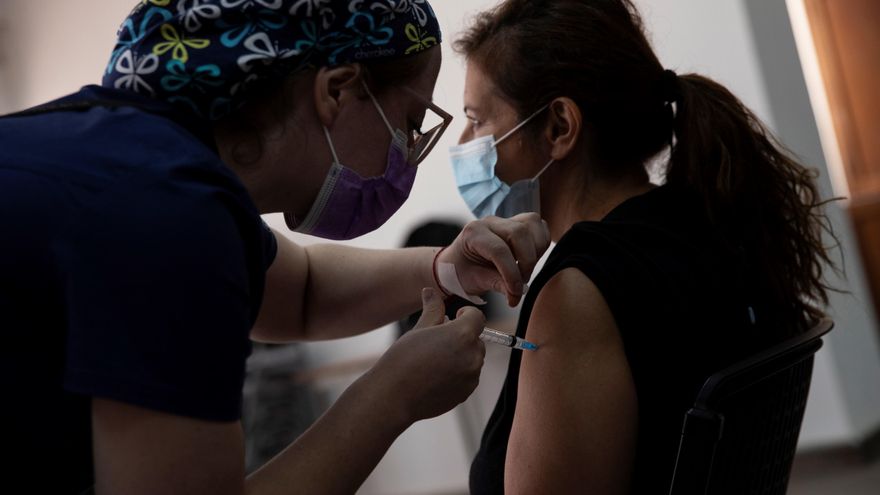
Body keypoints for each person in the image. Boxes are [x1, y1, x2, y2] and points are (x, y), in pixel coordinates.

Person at [0, 2, 550, 494]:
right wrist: (392, 396)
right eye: (409, 123)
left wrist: (447, 269)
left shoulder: (135, 153)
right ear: (335, 90)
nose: (407, 152)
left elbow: (303, 291)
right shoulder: (166, 212)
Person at [449, 0, 837, 493]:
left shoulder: (578, 294)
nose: (464, 142)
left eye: (477, 120)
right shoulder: (708, 224)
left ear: (559, 127)